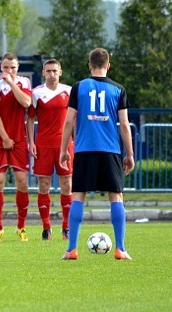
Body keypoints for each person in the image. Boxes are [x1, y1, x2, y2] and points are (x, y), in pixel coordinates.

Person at [59, 48, 135, 260]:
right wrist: (129, 154)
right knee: (116, 197)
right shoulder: (119, 89)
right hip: (110, 149)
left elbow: (68, 121)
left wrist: (64, 150)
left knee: (78, 196)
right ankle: (120, 248)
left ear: (89, 65)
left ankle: (71, 249)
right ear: (108, 65)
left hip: (84, 149)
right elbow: (125, 125)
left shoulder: (78, 87)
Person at [27, 59, 74, 240]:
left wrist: (75, 141)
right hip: (43, 145)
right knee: (43, 186)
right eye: (49, 71)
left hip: (64, 144)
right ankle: (46, 227)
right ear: (43, 72)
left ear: (60, 72)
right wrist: (31, 142)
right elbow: (30, 119)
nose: (52, 74)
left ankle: (66, 226)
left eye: (55, 71)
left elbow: (74, 118)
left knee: (67, 185)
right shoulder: (36, 93)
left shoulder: (69, 91)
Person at [0, 53, 33, 242]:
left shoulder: (24, 82)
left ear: (17, 68)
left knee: (22, 181)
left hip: (19, 139)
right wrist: (5, 137)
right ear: (1, 67)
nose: (9, 71)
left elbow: (26, 103)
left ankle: (21, 227)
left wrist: (12, 83)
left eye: (13, 67)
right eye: (6, 67)